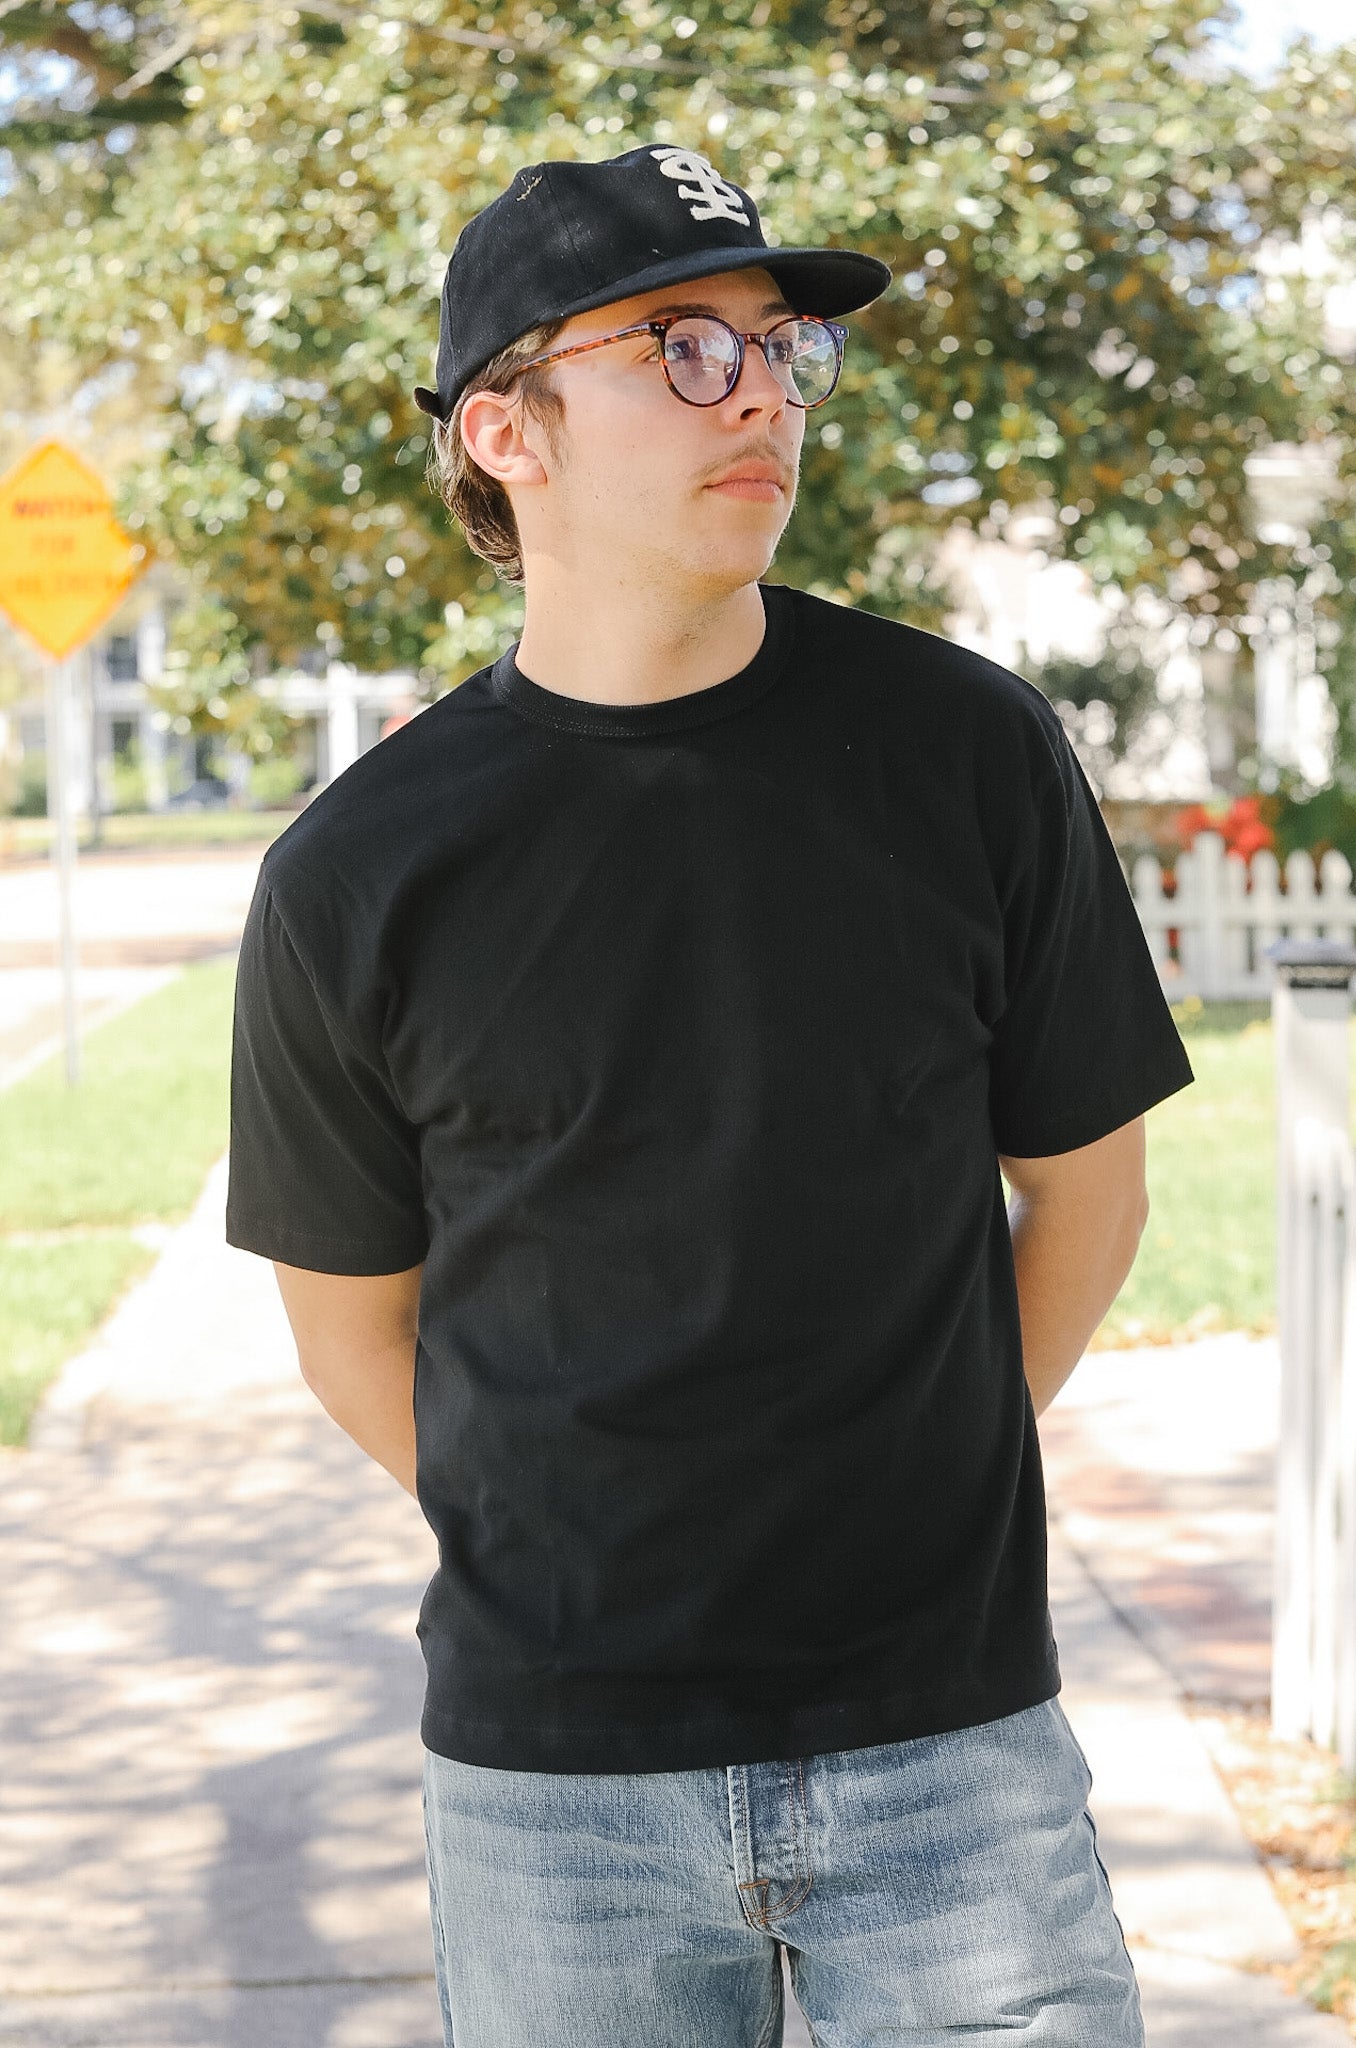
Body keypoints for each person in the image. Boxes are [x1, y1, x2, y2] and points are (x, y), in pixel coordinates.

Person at [226, 144, 1195, 2047]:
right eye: (681, 346)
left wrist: (919, 1477)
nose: (761, 393)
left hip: (947, 1747)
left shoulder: (966, 753)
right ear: (503, 430)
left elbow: (1089, 1189)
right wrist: (582, 1543)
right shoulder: (358, 873)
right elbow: (349, 1330)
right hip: (554, 1790)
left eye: (777, 346)